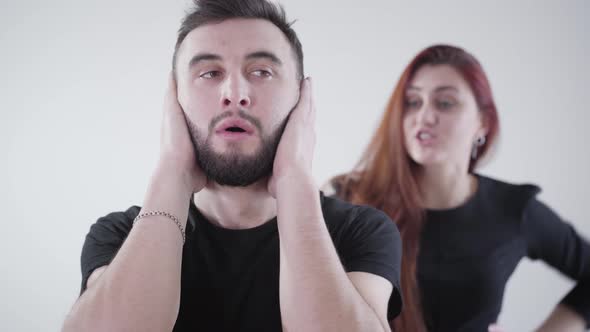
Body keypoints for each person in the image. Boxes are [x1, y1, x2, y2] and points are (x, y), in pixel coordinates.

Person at [61, 0, 403, 331]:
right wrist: (172, 172)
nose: (235, 93)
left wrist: (294, 178)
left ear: (301, 98)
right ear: (174, 99)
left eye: (261, 72)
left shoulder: (360, 231)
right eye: (209, 73)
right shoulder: (119, 235)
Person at [328, 44, 590, 332]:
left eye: (445, 103)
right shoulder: (347, 198)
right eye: (413, 102)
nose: (424, 116)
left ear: (483, 123)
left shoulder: (514, 209)